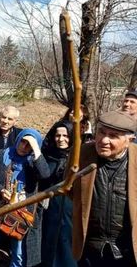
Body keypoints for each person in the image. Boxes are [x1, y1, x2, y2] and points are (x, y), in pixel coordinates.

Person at [71, 110, 137, 266]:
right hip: (89, 250)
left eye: (113, 136)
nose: (104, 140)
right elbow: (70, 190)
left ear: (129, 140)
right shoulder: (81, 154)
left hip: (128, 251)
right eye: (101, 132)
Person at [0, 128, 50, 267]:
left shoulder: (33, 162)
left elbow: (45, 174)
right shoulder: (0, 155)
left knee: (18, 252)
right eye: (23, 141)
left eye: (29, 144)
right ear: (18, 139)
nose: (25, 147)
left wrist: (36, 150)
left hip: (23, 213)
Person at [40, 120, 76, 267]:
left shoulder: (78, 157)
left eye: (66, 136)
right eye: (58, 135)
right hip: (50, 206)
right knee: (49, 240)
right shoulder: (48, 155)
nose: (61, 139)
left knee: (67, 243)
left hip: (70, 207)